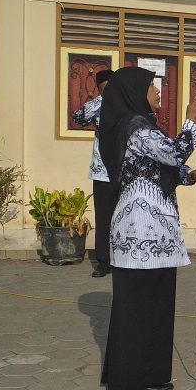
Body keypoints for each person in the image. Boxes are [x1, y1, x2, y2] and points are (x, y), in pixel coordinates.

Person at [97, 67, 196, 390]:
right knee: (143, 307)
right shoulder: (136, 127)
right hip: (142, 230)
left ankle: (131, 373)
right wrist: (191, 121)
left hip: (146, 228)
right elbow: (173, 153)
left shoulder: (135, 126)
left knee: (145, 305)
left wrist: (189, 175)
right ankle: (136, 377)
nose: (158, 91)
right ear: (134, 93)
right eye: (151, 86)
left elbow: (153, 169)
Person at [72, 69, 116, 277]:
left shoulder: (127, 106)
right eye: (105, 89)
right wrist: (102, 100)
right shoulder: (98, 106)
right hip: (102, 173)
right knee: (104, 219)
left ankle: (123, 260)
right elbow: (78, 117)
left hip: (125, 172)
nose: (110, 92)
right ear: (99, 89)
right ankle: (104, 263)